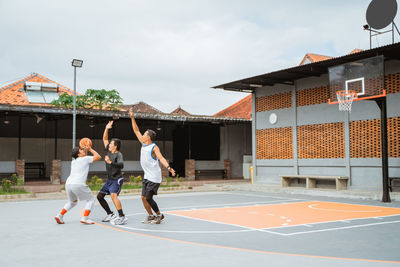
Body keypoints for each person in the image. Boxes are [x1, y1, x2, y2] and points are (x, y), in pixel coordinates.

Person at [129, 107, 176, 224]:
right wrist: (132, 117)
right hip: (147, 176)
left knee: (149, 198)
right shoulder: (143, 144)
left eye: (144, 134)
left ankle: (159, 215)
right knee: (143, 197)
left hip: (154, 177)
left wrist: (169, 168)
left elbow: (161, 158)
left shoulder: (154, 147)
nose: (142, 135)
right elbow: (136, 130)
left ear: (148, 137)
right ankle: (150, 216)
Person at [54, 146, 101, 225]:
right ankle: (85, 218)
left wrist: (85, 149)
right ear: (79, 154)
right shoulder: (85, 159)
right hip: (78, 183)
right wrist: (90, 149)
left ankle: (60, 215)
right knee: (91, 200)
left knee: (72, 202)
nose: (83, 151)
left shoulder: (74, 161)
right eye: (81, 150)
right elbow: (98, 157)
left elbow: (85, 155)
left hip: (68, 184)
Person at [96, 121, 128, 225]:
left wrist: (110, 162)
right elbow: (104, 139)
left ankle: (122, 216)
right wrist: (106, 128)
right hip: (110, 180)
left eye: (111, 144)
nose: (109, 144)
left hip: (117, 179)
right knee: (100, 197)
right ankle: (110, 214)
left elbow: (121, 165)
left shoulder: (119, 154)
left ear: (115, 146)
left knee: (114, 196)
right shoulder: (109, 151)